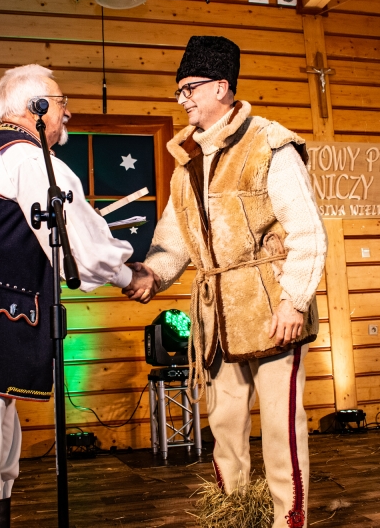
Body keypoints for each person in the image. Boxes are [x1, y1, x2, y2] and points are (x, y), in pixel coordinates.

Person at [0, 64, 152, 527]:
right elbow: (81, 245)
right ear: (33, 107)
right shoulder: (28, 158)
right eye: (60, 103)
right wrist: (127, 276)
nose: (67, 113)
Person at [123, 36, 327, 528]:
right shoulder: (188, 161)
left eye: (189, 88)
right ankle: (234, 515)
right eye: (179, 91)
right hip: (216, 317)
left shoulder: (269, 143)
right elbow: (175, 237)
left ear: (221, 86)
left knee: (280, 428)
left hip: (272, 309)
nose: (182, 99)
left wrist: (294, 302)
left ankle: (288, 521)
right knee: (225, 425)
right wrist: (151, 274)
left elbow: (308, 231)